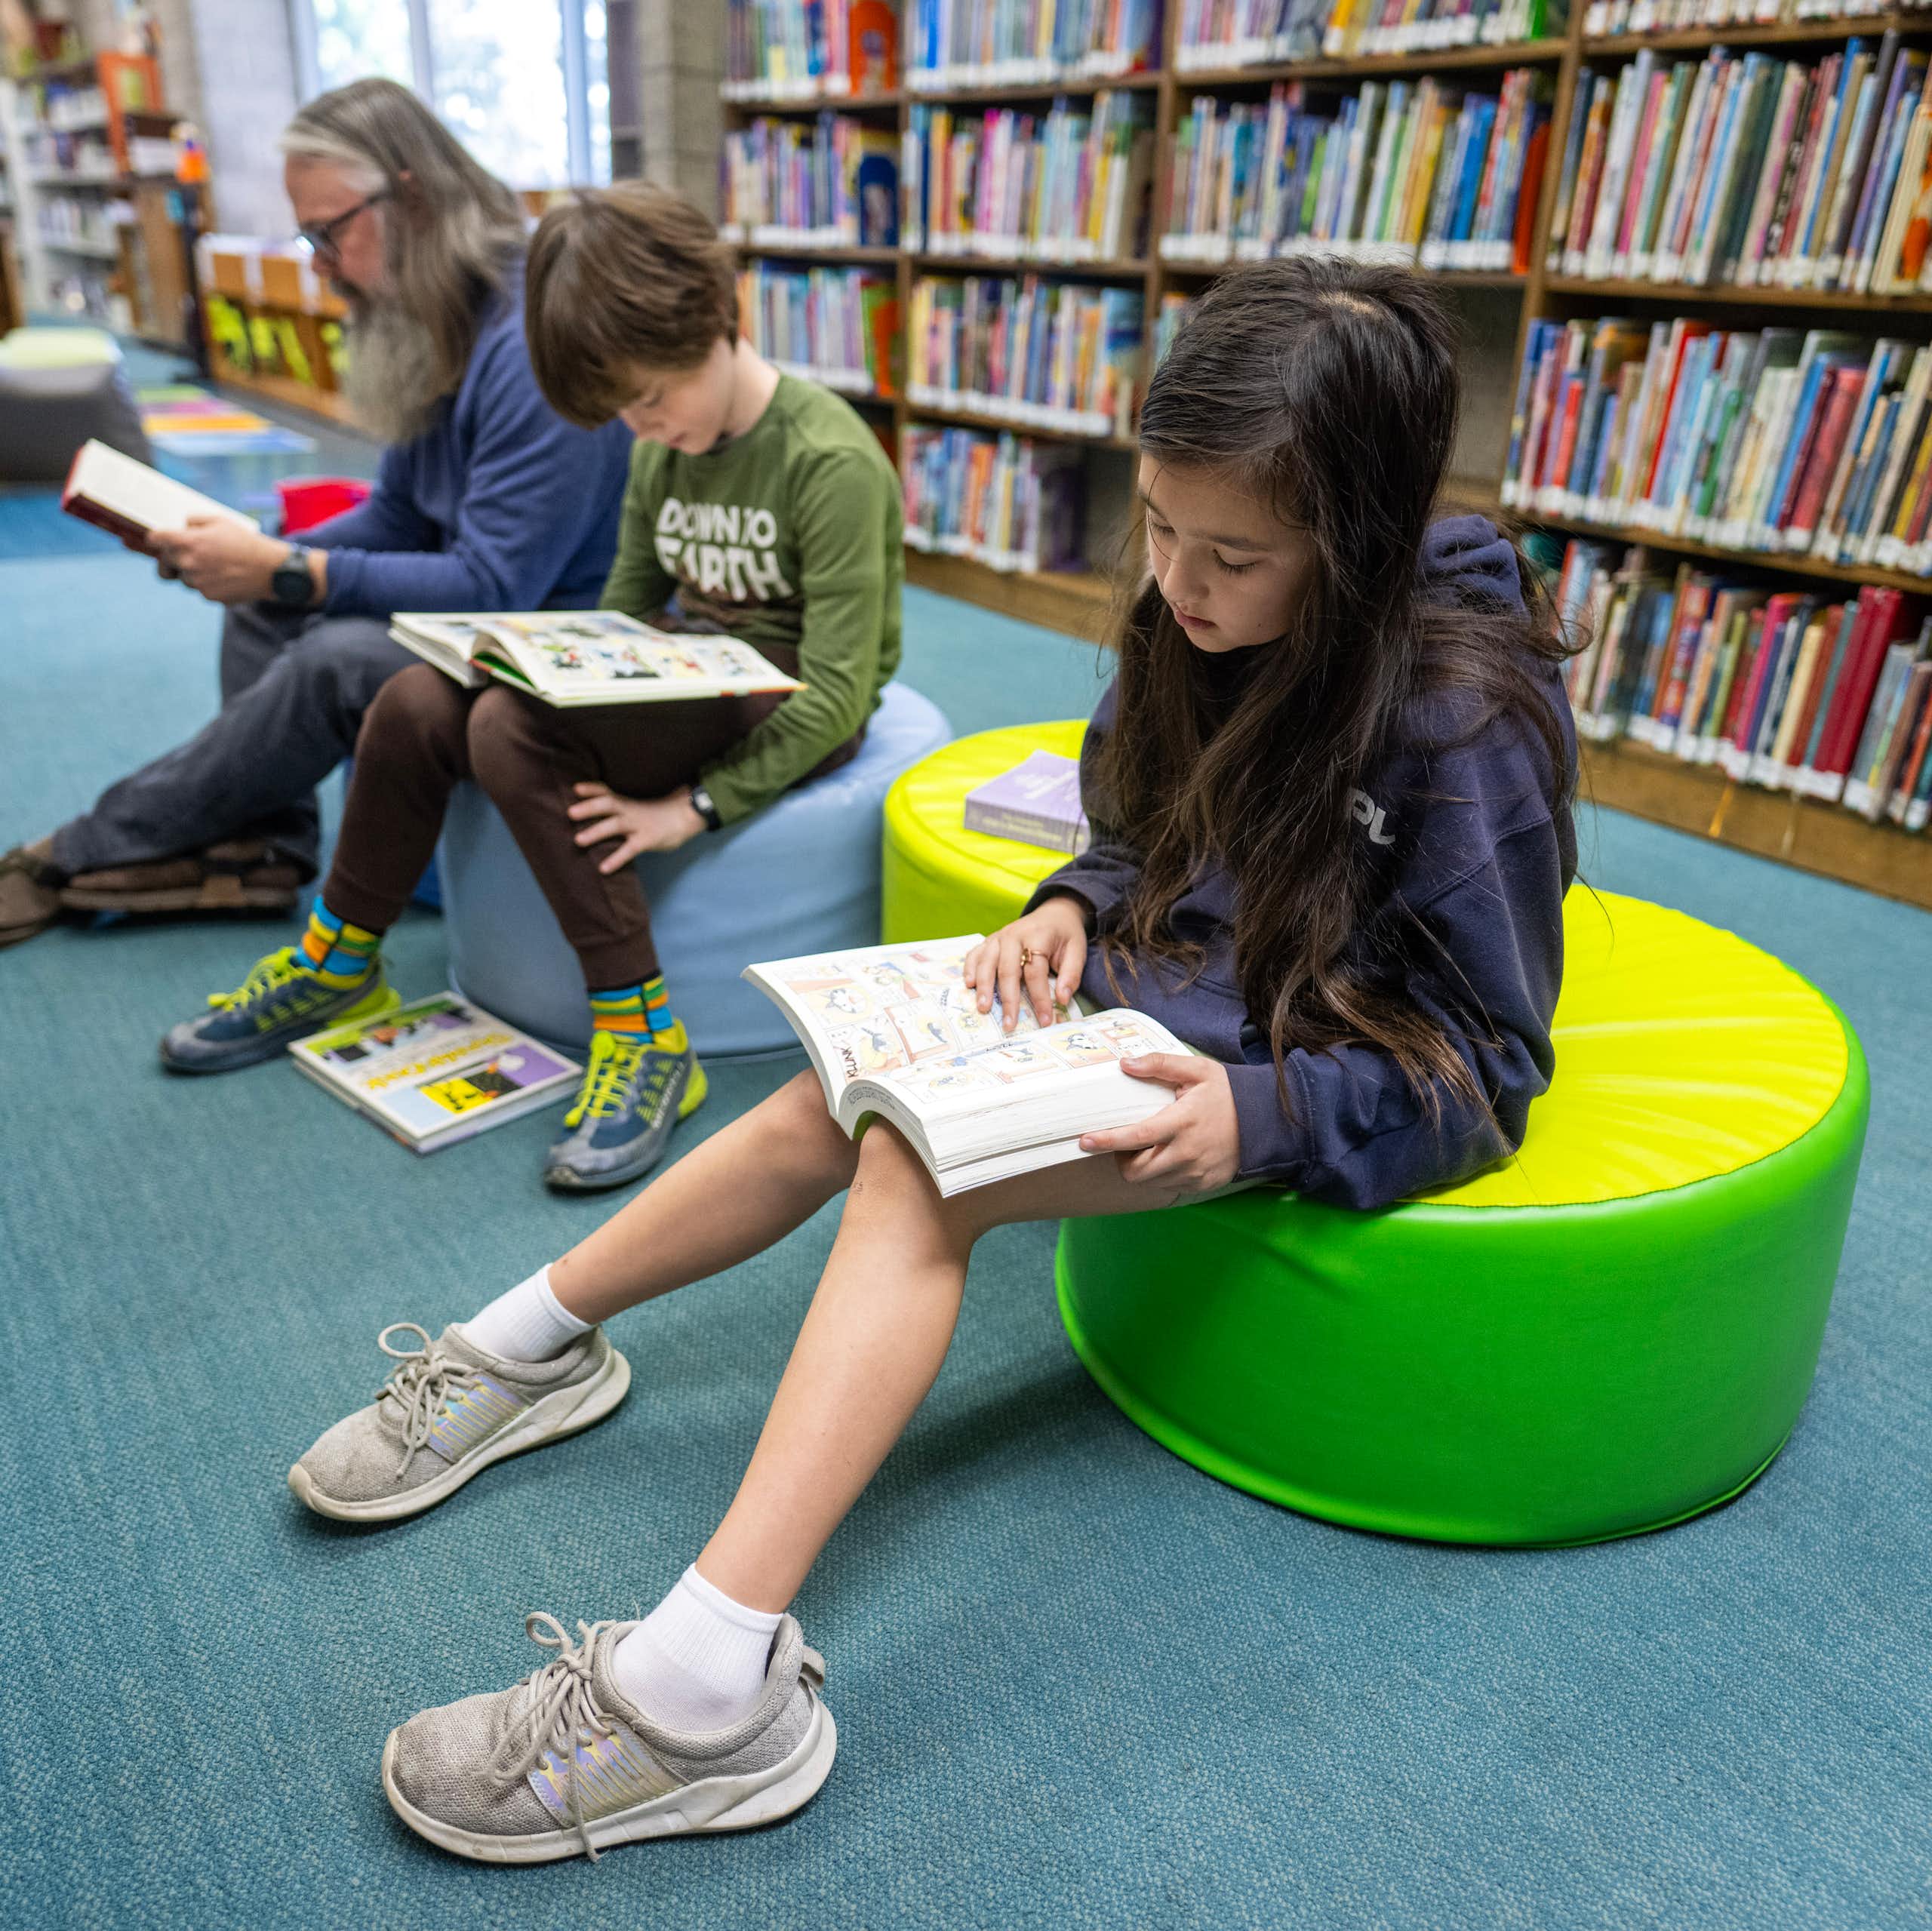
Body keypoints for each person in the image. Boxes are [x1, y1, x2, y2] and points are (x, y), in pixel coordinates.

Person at [287, 258, 1579, 1862]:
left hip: (1280, 1062)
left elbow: (1487, 1061)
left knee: (909, 1166)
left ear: (1357, 542)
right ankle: (523, 1346)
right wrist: (1073, 898)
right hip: (1161, 976)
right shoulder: (1199, 602)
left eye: (1229, 553)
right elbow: (1136, 818)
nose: (1174, 578)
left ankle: (706, 1695)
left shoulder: (1464, 722)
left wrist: (1268, 1113)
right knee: (826, 1083)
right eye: (1157, 528)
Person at [151, 183, 903, 1194]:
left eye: (652, 398)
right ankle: (341, 960)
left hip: (791, 698)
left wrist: (697, 807)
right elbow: (626, 617)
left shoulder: (829, 459)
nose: (645, 425)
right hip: (685, 670)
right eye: (625, 411)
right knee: (417, 700)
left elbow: (842, 690)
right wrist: (523, 652)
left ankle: (643, 1028)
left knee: (509, 728)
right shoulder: (659, 449)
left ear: (718, 322)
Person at [0, 78, 632, 949]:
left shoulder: (529, 338)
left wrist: (295, 569)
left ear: (411, 196)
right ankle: (265, 846)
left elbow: (498, 582)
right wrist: (259, 556)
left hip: (557, 639)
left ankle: (81, 848)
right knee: (269, 599)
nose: (320, 263)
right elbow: (401, 513)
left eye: (329, 232)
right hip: (480, 612)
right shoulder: (443, 312)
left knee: (335, 653)